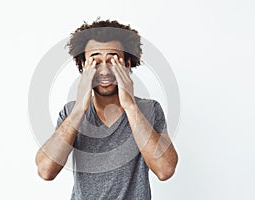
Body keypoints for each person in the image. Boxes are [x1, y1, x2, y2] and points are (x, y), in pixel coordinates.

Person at [35, 19, 178, 200]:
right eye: (95, 62)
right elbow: (45, 170)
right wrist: (80, 108)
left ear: (127, 64)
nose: (104, 71)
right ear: (83, 66)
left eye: (112, 61)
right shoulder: (71, 112)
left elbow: (165, 170)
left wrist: (130, 106)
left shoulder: (149, 109)